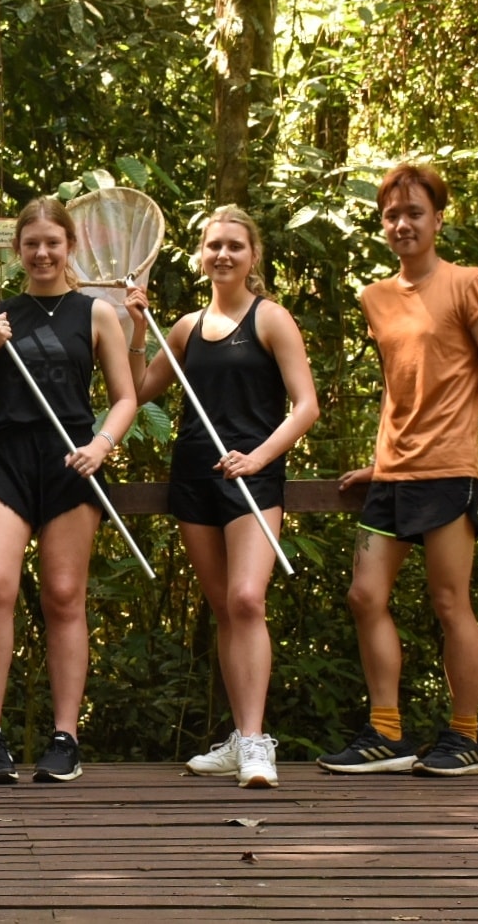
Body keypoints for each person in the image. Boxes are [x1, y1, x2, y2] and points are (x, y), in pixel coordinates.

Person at [317, 164, 478, 778]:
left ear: (438, 218)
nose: (402, 223)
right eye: (391, 215)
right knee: (364, 595)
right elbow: (396, 387)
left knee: (448, 601)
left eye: (414, 213)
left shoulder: (468, 283)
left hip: (448, 470)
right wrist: (378, 461)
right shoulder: (375, 297)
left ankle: (465, 737)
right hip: (393, 473)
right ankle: (385, 731)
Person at [124, 206, 319, 789]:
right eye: (213, 246)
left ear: (253, 255)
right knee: (223, 610)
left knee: (246, 601)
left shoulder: (271, 319)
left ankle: (258, 743)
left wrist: (259, 457)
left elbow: (306, 405)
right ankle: (239, 737)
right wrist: (139, 327)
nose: (224, 255)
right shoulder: (183, 327)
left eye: (235, 245)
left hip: (252, 477)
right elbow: (135, 389)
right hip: (195, 476)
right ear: (200, 255)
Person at [0, 195, 138, 783]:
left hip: (71, 459)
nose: (42, 252)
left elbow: (126, 396)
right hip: (5, 455)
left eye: (53, 242)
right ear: (18, 249)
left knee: (62, 594)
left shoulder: (97, 313)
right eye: (31, 243)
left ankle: (65, 737)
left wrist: (103, 444)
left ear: (69, 246)